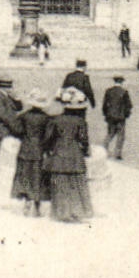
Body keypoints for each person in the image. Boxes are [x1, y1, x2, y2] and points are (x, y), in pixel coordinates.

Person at [42, 87, 92, 223]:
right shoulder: (80, 122)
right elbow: (84, 140)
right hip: (75, 154)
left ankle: (61, 212)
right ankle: (76, 211)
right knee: (76, 184)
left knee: (60, 183)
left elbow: (48, 139)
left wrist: (48, 149)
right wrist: (86, 151)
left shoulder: (55, 120)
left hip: (59, 153)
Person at [9, 89, 51, 216]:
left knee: (26, 175)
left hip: (25, 149)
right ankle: (37, 207)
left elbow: (15, 129)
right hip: (39, 150)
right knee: (38, 177)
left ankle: (27, 203)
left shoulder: (24, 116)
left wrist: (24, 137)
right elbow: (48, 136)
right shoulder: (47, 118)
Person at [0, 76, 20, 180]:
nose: (12, 89)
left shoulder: (7, 96)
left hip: (8, 129)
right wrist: (16, 125)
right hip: (3, 129)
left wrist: (17, 98)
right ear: (5, 87)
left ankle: (2, 175)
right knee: (2, 154)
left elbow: (18, 107)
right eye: (10, 87)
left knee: (7, 153)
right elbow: (3, 115)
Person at [102, 74, 133, 160]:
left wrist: (105, 114)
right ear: (122, 82)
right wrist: (126, 115)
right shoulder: (124, 92)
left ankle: (104, 149)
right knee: (121, 135)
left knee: (110, 133)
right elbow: (129, 105)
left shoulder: (108, 91)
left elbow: (104, 105)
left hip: (110, 116)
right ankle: (117, 153)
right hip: (120, 117)